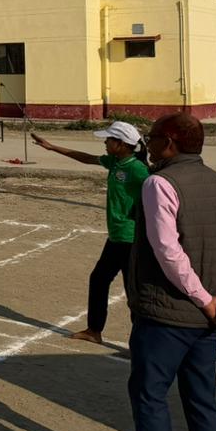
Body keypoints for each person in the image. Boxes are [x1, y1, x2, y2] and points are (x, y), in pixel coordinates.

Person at [105, 113, 216, 431]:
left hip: (169, 314)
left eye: (153, 138)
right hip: (210, 318)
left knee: (150, 395)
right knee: (202, 400)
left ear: (171, 143)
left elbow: (168, 252)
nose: (149, 145)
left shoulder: (159, 183)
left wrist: (202, 298)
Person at [32, 122, 149, 344]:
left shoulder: (137, 169)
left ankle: (142, 343)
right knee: (99, 280)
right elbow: (86, 158)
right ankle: (95, 330)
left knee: (132, 291)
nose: (104, 143)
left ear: (122, 144)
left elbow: (156, 193)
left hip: (130, 238)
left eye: (108, 140)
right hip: (116, 236)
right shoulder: (116, 161)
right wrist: (51, 147)